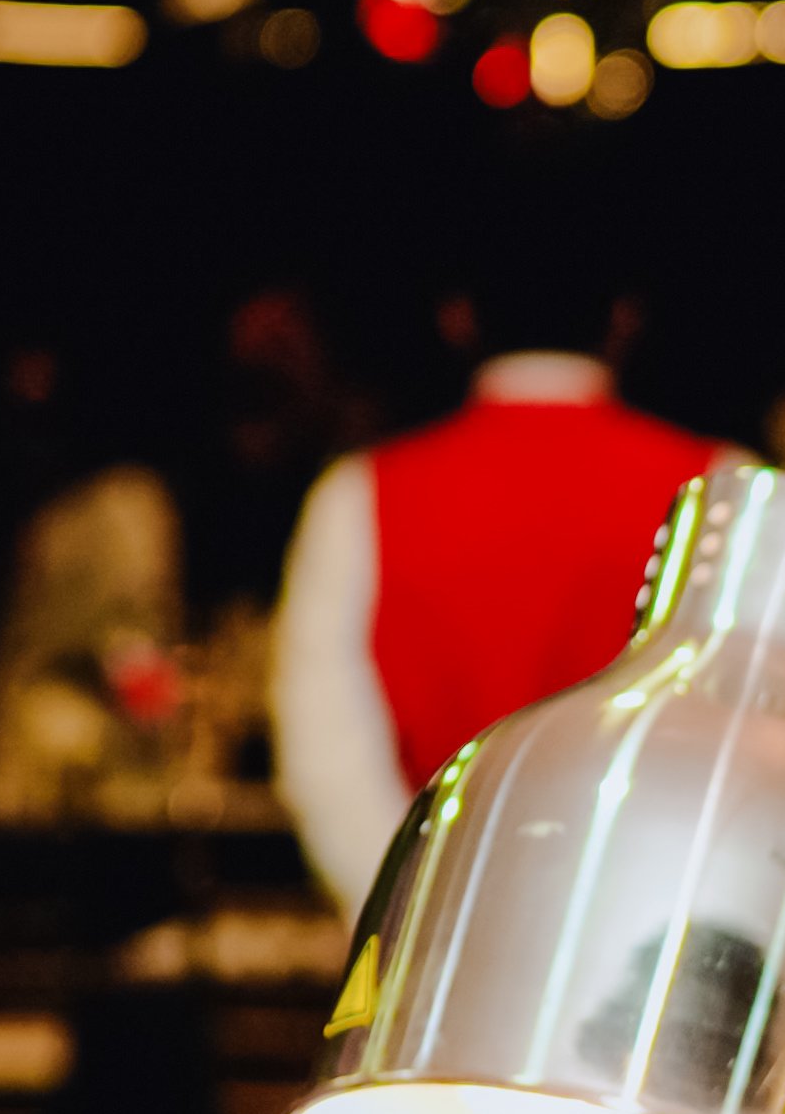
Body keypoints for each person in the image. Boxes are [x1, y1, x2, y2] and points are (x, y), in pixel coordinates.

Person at [274, 258, 732, 911]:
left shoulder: (360, 495)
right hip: (650, 923)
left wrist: (411, 911)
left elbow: (327, 764)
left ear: (456, 319)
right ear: (623, 319)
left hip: (431, 930)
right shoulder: (720, 489)